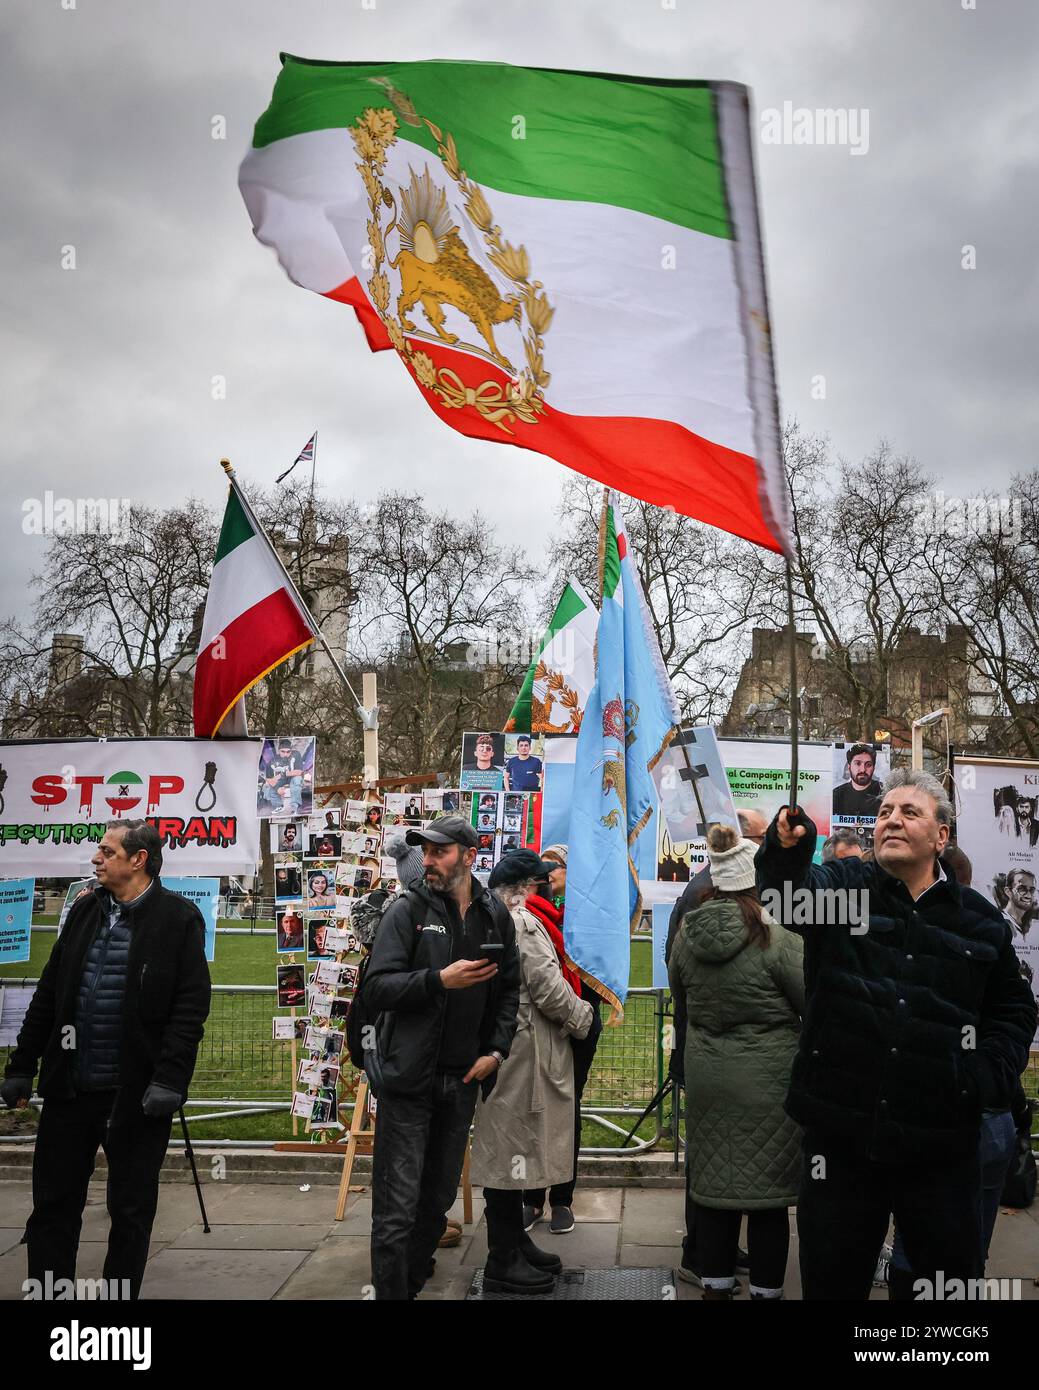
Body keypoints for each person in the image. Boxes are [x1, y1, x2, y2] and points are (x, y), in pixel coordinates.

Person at [758, 768, 1037, 1300]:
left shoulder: (979, 922)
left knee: (940, 1290)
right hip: (841, 1142)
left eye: (910, 812)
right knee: (832, 1281)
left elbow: (1013, 1010)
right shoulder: (845, 893)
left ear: (941, 836)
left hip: (941, 1145)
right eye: (885, 811)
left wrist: (985, 1076)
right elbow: (786, 899)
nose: (892, 820)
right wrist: (787, 851)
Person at [1, 820, 211, 1301]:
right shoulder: (83, 911)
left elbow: (190, 1007)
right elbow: (51, 993)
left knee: (130, 1211)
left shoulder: (178, 919)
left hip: (135, 1097)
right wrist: (21, 1066)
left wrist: (169, 1080)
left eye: (107, 850)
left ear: (138, 859)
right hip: (69, 1090)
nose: (96, 858)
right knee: (52, 1209)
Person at [364, 816, 520, 1300]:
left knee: (435, 1203)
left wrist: (496, 1050)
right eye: (425, 852)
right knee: (397, 1207)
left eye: (439, 852)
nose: (428, 861)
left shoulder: (495, 915)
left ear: (469, 855)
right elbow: (375, 989)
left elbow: (509, 989)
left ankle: (409, 1284)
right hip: (407, 1081)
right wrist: (437, 981)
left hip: (461, 1081)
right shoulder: (405, 912)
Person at [669, 824, 805, 1300]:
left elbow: (680, 992)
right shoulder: (775, 938)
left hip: (708, 1076)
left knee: (712, 1190)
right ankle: (766, 1292)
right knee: (768, 1200)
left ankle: (715, 1286)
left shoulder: (687, 935)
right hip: (767, 1082)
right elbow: (811, 998)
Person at [885, 843, 1023, 1298]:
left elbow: (1011, 1011)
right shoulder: (978, 932)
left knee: (929, 1242)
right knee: (962, 1247)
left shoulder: (960, 936)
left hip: (967, 1115)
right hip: (984, 1113)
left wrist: (979, 1077)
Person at [471, 850, 593, 1292]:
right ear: (526, 887)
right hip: (524, 1051)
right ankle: (502, 1257)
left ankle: (513, 1246)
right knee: (511, 1150)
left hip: (517, 1048)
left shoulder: (500, 917)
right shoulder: (521, 922)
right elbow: (546, 985)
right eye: (542, 884)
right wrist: (583, 1019)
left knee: (514, 1146)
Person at [664, 808, 768, 1285]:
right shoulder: (705, 893)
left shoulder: (710, 888)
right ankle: (701, 1251)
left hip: (704, 1048)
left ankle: (713, 1250)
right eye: (765, 838)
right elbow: (683, 972)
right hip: (706, 1045)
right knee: (708, 1156)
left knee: (717, 1153)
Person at [521, 843, 603, 1236]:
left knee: (567, 1107)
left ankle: (562, 1199)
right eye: (544, 866)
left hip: (579, 1021)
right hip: (543, 1023)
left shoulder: (584, 918)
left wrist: (580, 1016)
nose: (549, 872)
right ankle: (532, 1196)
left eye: (556, 865)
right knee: (537, 1107)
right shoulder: (533, 916)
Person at [831, 743, 882, 819]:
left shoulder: (884, 792)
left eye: (868, 765)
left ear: (873, 768)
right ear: (849, 767)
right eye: (857, 763)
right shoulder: (837, 795)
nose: (863, 770)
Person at [1001, 867, 1037, 938]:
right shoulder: (999, 922)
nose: (1028, 895)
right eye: (1022, 889)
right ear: (1008, 892)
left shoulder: (1032, 925)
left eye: (1032, 890)